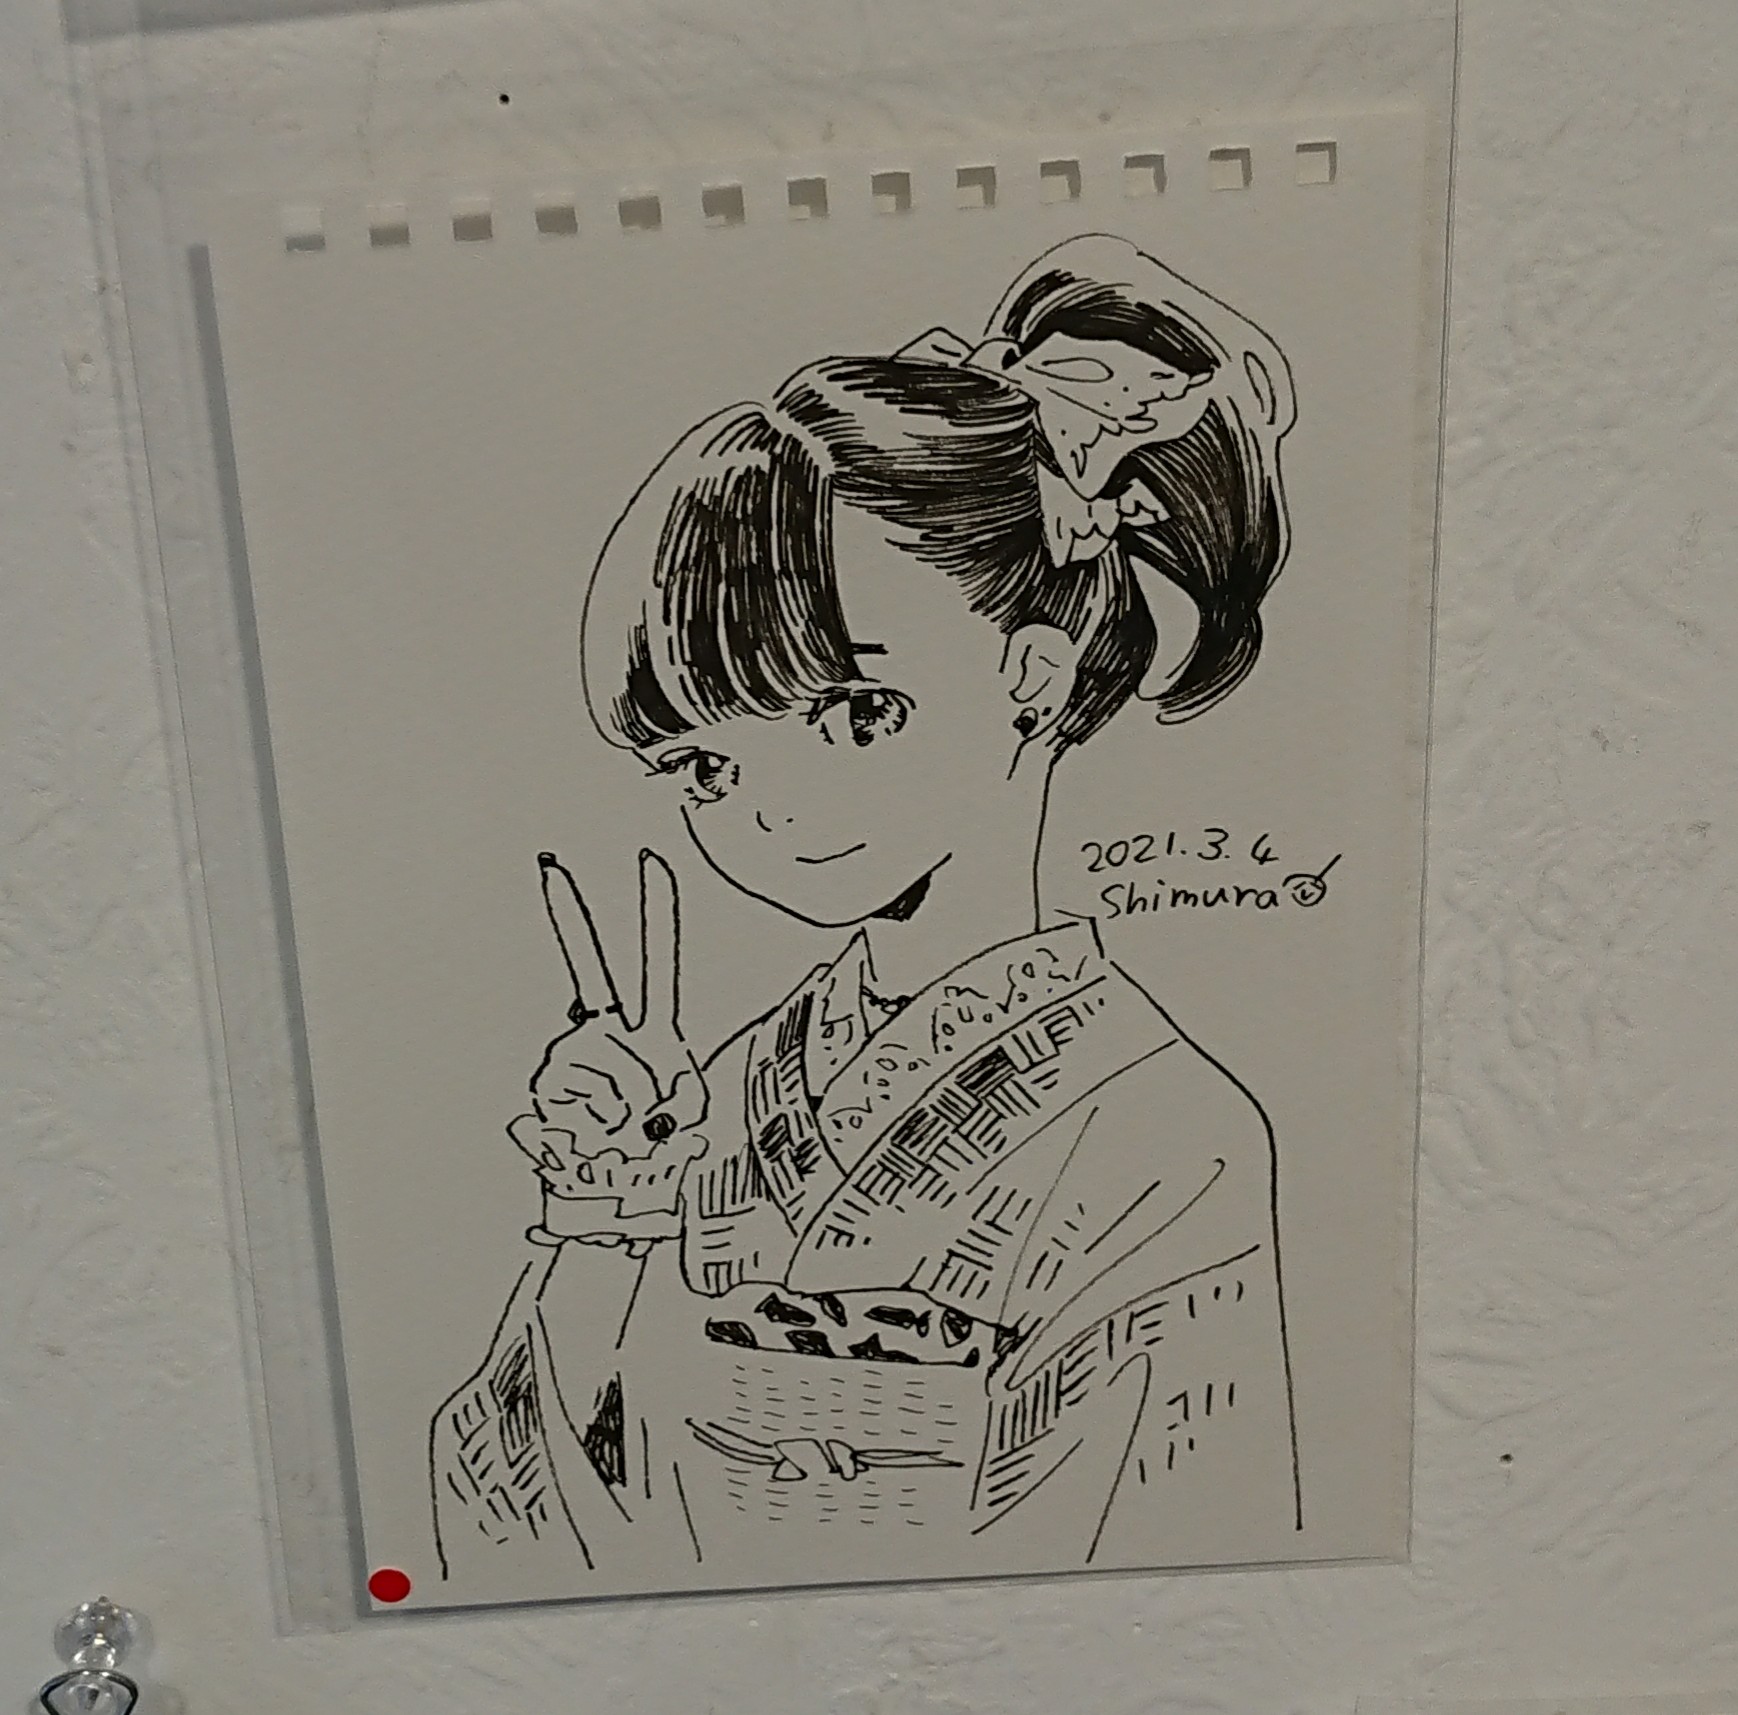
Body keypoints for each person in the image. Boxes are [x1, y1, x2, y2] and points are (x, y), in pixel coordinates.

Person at [431, 234, 1302, 1592]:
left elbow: (1179, 1571)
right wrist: (600, 1217)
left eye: (854, 712)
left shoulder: (1167, 1138)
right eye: (704, 763)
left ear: (1031, 674)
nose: (766, 805)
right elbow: (501, 1523)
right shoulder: (723, 1093)